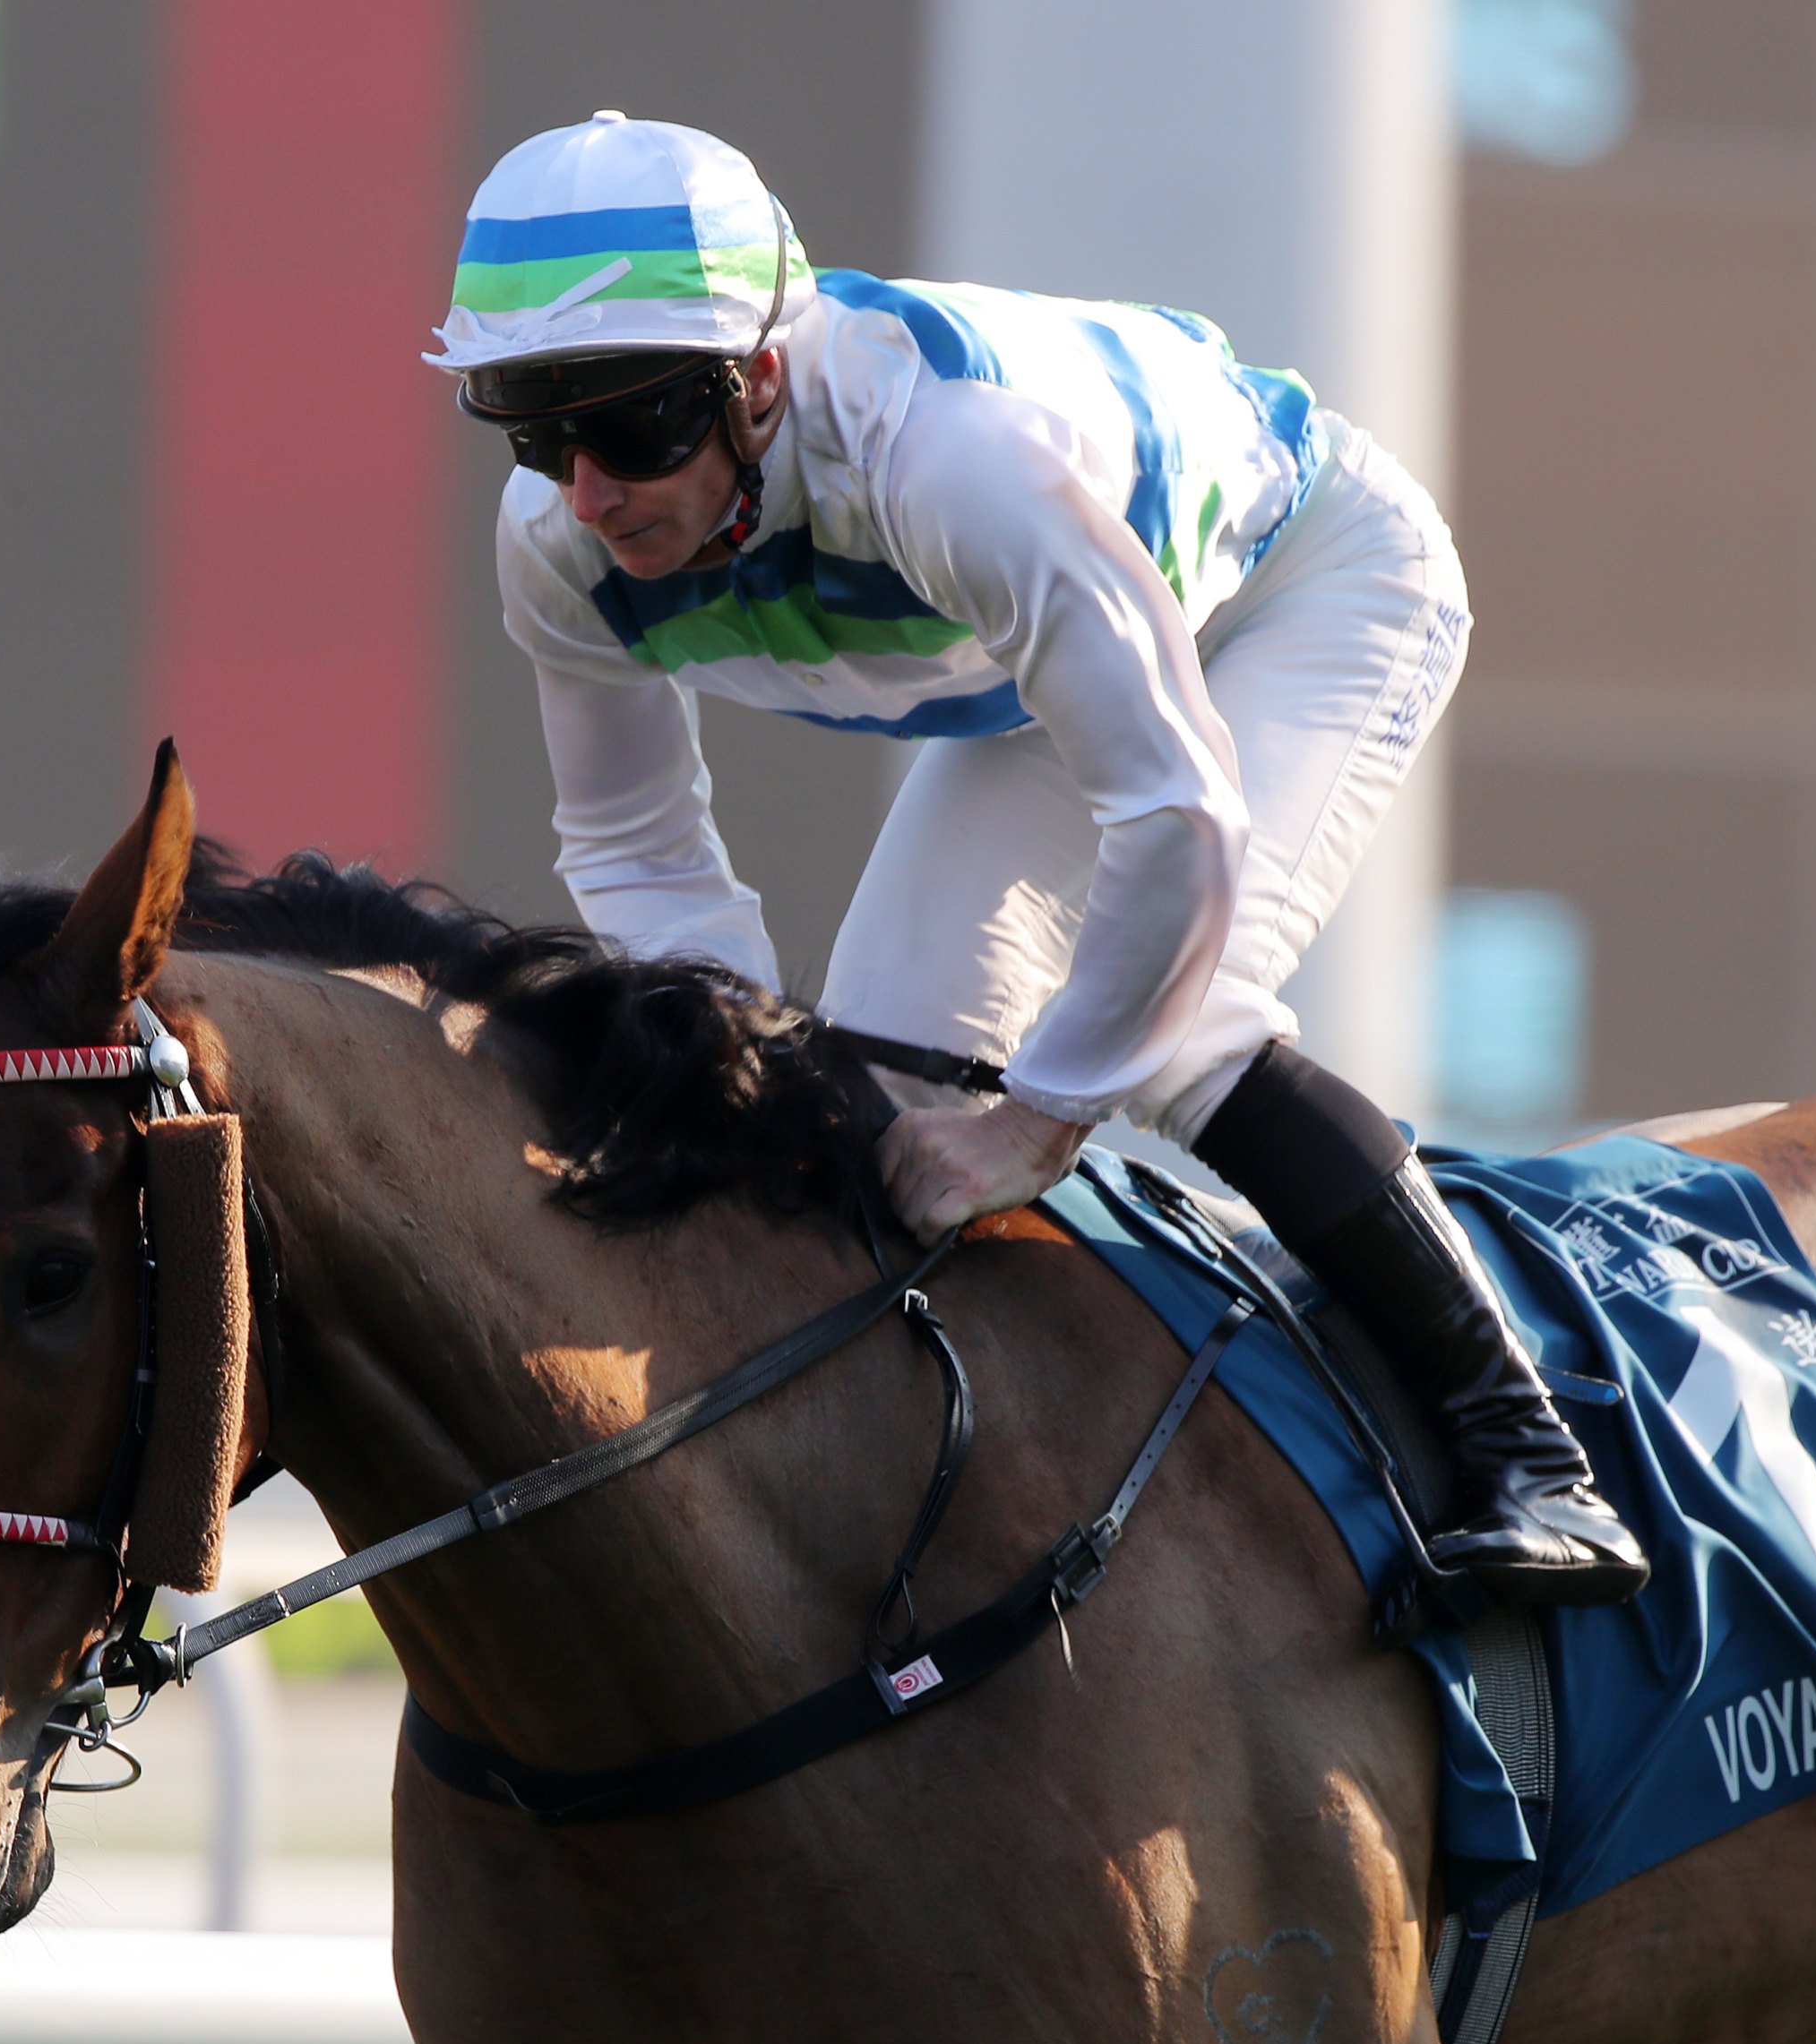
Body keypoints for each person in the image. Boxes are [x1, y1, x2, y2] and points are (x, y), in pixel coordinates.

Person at [434, 113, 1643, 1606]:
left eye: (631, 430)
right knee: (869, 1113)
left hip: (1303, 586)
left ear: (758, 377)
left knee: (1169, 1022)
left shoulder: (947, 463)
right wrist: (737, 1068)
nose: (590, 493)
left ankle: (1532, 1454)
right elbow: (633, 843)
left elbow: (1178, 818)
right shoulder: (556, 548)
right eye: (539, 435)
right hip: (1045, 673)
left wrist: (1045, 1119)